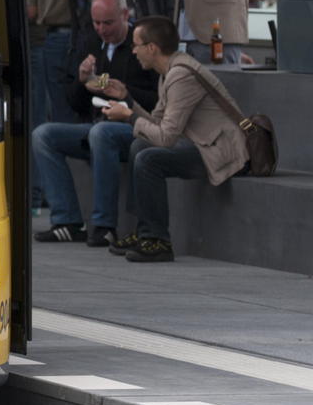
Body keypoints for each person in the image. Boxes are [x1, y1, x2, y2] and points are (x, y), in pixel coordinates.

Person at [99, 15, 249, 262]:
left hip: (223, 152)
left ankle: (158, 240)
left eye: (136, 45)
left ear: (152, 48)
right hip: (203, 144)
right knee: (140, 145)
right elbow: (157, 124)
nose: (133, 50)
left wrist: (128, 117)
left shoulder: (181, 75)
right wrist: (128, 100)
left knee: (149, 159)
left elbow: (166, 138)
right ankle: (144, 232)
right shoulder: (168, 72)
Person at [31, 0, 158, 246]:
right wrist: (81, 80)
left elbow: (159, 100)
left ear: (125, 15)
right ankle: (67, 220)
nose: (102, 29)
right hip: (98, 124)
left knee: (101, 133)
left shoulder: (142, 46)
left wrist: (126, 93)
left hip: (133, 127)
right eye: (96, 23)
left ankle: (103, 225)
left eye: (108, 23)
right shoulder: (90, 42)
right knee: (43, 135)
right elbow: (75, 102)